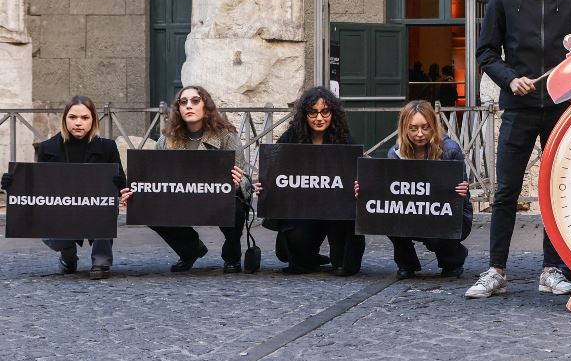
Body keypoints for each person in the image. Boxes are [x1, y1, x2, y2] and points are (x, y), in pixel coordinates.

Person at [468, 0, 571, 299]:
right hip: (519, 108)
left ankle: (552, 270)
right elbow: (486, 53)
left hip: (562, 109)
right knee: (506, 191)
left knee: (558, 191)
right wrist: (510, 79)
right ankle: (495, 270)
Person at [126, 86, 250, 273]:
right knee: (146, 207)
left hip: (217, 199)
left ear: (205, 106)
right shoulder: (166, 140)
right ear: (178, 109)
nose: (188, 106)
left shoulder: (226, 135)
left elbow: (245, 177)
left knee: (237, 208)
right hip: (180, 199)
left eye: (195, 101)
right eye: (183, 102)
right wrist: (140, 191)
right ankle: (190, 249)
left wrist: (238, 181)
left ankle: (232, 253)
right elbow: (158, 179)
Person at [1, 96, 126, 280]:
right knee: (44, 218)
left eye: (85, 118)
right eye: (73, 117)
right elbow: (37, 188)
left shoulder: (107, 147)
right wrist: (14, 183)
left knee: (106, 208)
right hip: (61, 210)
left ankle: (101, 261)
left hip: (95, 209)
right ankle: (68, 256)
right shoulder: (47, 148)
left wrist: (118, 184)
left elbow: (122, 184)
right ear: (64, 119)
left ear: (93, 120)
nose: (78, 123)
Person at [258, 86, 365, 276]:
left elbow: (360, 169)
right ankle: (309, 257)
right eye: (313, 112)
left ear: (333, 113)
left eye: (325, 112)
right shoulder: (291, 138)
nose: (319, 118)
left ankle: (340, 259)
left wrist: (360, 184)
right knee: (292, 251)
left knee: (343, 264)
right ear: (304, 115)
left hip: (336, 212)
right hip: (303, 210)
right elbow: (273, 170)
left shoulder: (344, 140)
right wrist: (264, 184)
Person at [383, 100, 472, 279]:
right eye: (413, 128)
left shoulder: (450, 150)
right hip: (411, 212)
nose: (420, 134)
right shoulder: (395, 153)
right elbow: (389, 193)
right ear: (404, 128)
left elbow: (462, 196)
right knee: (388, 217)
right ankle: (406, 263)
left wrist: (462, 191)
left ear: (434, 126)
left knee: (436, 234)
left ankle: (452, 259)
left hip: (448, 215)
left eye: (426, 127)